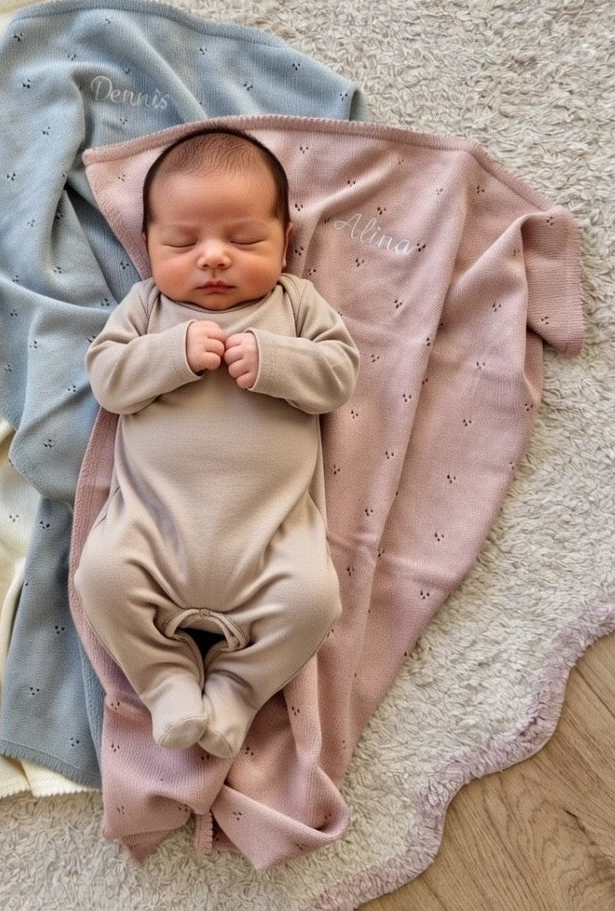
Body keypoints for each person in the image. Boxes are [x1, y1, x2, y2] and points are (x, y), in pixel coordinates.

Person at [74, 128, 360, 759]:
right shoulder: (147, 308)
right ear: (148, 245)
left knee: (314, 602)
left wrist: (277, 360)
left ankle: (237, 689)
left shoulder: (296, 304)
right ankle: (166, 679)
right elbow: (108, 379)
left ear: (285, 241)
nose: (213, 258)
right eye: (182, 243)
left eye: (245, 240)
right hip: (152, 530)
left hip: (269, 539)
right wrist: (171, 353)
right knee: (99, 577)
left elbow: (340, 375)